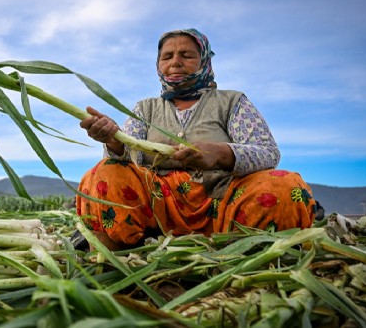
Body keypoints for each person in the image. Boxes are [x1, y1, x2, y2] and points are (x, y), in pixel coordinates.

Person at [76, 28, 316, 250]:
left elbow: (267, 152)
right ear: (158, 64)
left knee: (284, 186)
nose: (175, 62)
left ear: (204, 61)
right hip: (159, 207)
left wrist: (221, 153)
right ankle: (134, 242)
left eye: (186, 55)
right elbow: (124, 160)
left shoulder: (232, 101)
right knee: (103, 174)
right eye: (167, 56)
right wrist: (113, 140)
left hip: (223, 201)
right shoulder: (145, 108)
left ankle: (236, 244)